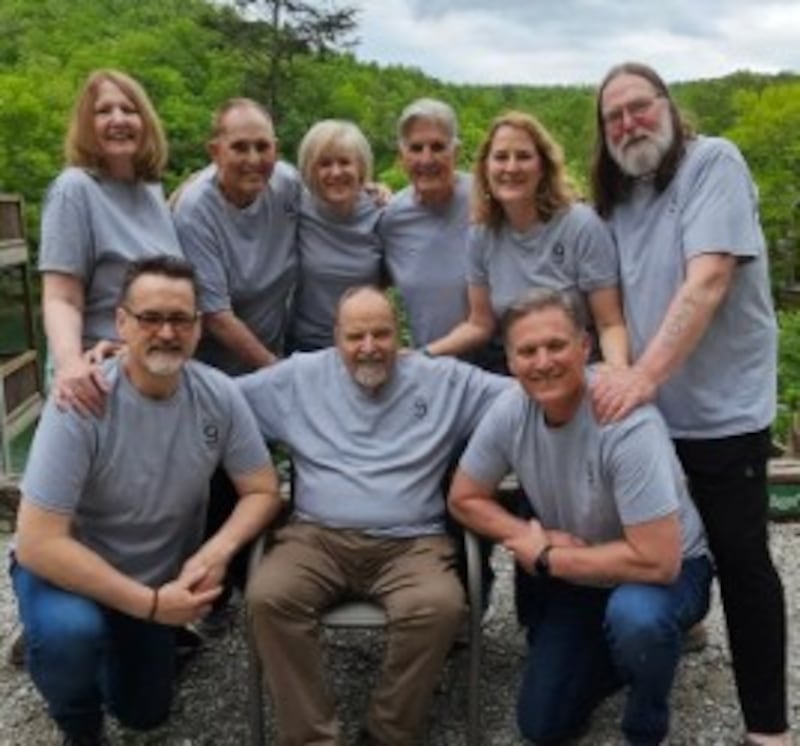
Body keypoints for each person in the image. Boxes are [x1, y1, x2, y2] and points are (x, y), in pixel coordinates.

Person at [589, 62, 789, 746]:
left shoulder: (713, 165)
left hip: (722, 411)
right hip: (650, 416)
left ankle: (768, 727)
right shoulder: (616, 197)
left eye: (639, 107)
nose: (629, 124)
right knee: (663, 545)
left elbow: (706, 282)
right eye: (614, 117)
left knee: (741, 560)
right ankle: (686, 625)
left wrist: (639, 380)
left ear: (668, 107)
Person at [10, 256, 280, 746]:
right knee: (69, 636)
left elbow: (261, 489)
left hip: (152, 574)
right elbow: (36, 542)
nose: (166, 333)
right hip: (70, 572)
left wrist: (215, 552)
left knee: (145, 715)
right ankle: (77, 720)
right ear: (121, 323)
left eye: (180, 319)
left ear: (199, 327)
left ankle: (113, 642)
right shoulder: (82, 400)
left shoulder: (218, 394)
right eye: (150, 318)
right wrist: (153, 606)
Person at [239, 285, 510, 746]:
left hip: (413, 544)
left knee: (439, 607)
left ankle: (388, 733)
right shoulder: (298, 377)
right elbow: (211, 399)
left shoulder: (442, 379)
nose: (369, 347)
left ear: (399, 334)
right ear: (335, 338)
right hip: (315, 539)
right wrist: (117, 368)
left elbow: (530, 389)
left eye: (381, 334)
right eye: (355, 336)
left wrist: (609, 380)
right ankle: (310, 737)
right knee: (268, 598)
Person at [449, 287, 712, 745]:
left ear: (585, 347)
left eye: (556, 345)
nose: (542, 361)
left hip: (667, 576)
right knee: (543, 726)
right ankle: (625, 654)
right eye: (527, 351)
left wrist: (549, 557)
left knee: (637, 618)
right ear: (510, 361)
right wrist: (523, 534)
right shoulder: (511, 409)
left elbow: (659, 560)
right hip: (585, 575)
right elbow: (464, 497)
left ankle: (646, 720)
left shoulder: (626, 423)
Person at [426, 111, 628, 373]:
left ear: (542, 167)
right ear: (486, 168)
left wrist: (618, 374)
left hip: (578, 370)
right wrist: (425, 354)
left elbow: (610, 323)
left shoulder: (580, 225)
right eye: (501, 157)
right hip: (514, 371)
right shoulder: (482, 234)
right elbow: (480, 324)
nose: (511, 167)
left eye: (523, 156)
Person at [39, 69, 183, 416]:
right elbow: (62, 297)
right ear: (86, 124)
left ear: (145, 120)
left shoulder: (150, 192)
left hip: (155, 369)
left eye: (129, 109)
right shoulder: (74, 190)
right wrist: (71, 366)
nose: (118, 119)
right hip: (97, 375)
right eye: (103, 111)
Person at [172, 97, 301, 375]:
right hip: (211, 370)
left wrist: (370, 192)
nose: (253, 159)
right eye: (240, 148)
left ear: (276, 150)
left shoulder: (288, 186)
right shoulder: (195, 212)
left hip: (272, 352)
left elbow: (334, 207)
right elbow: (216, 316)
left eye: (263, 147)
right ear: (215, 151)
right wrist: (276, 372)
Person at [378, 98, 475, 355]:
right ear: (402, 157)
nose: (426, 158)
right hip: (430, 370)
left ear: (455, 152)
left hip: (500, 366)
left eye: (437, 147)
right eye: (416, 148)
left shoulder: (487, 199)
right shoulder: (391, 218)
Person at [289, 119, 384, 352]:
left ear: (361, 167)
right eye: (324, 164)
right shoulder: (295, 205)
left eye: (344, 162)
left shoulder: (381, 213)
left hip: (366, 345)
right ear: (310, 170)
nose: (335, 172)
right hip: (305, 345)